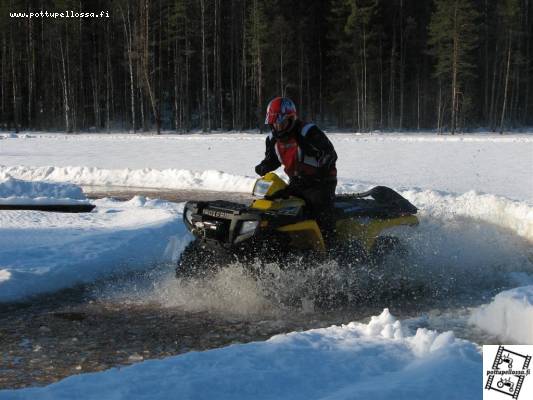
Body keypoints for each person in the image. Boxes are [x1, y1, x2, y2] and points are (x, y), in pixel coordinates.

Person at [255, 96, 338, 243]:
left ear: (291, 119)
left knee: (319, 209)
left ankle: (332, 249)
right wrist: (264, 166)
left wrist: (319, 168)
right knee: (275, 205)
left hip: (320, 184)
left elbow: (330, 155)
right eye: (273, 124)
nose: (276, 127)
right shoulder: (273, 139)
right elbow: (273, 159)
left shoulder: (308, 132)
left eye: (280, 123)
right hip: (296, 183)